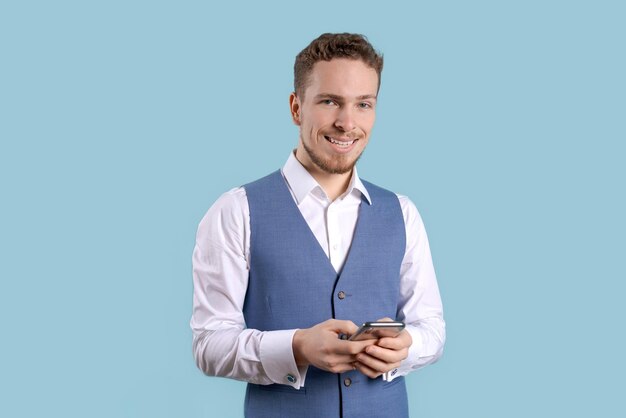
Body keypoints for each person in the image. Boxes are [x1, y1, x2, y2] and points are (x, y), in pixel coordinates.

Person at [191, 33, 445, 418]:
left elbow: (432, 328)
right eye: (330, 102)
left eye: (364, 104)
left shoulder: (402, 212)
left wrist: (407, 345)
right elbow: (209, 344)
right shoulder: (236, 211)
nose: (347, 123)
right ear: (296, 108)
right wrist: (296, 347)